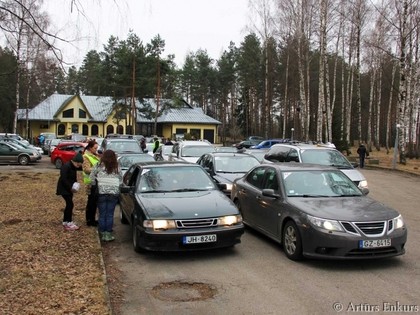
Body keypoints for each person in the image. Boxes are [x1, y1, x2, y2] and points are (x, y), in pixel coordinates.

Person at [90, 150, 122, 242]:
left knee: (102, 213)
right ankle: (108, 233)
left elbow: (91, 178)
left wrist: (96, 184)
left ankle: (102, 233)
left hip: (101, 192)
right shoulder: (117, 166)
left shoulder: (98, 165)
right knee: (110, 214)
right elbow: (120, 179)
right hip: (113, 193)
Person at [56, 152, 83, 231]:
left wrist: (75, 185)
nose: (79, 165)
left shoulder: (73, 167)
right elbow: (64, 179)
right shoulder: (66, 166)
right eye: (78, 164)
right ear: (75, 161)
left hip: (69, 189)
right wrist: (70, 187)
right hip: (64, 189)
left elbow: (73, 178)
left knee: (69, 204)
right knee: (70, 204)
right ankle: (68, 222)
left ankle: (65, 221)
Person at [82, 140, 101, 226]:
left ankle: (92, 219)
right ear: (90, 148)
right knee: (91, 202)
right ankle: (89, 220)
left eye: (97, 148)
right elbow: (86, 169)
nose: (96, 150)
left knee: (94, 202)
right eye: (95, 148)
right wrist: (97, 170)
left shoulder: (95, 155)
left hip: (96, 181)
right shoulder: (86, 156)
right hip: (91, 182)